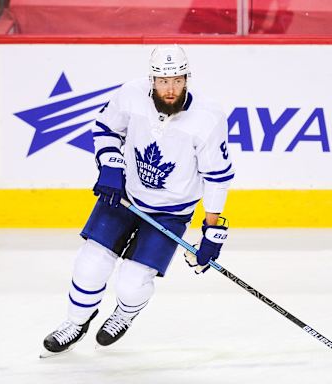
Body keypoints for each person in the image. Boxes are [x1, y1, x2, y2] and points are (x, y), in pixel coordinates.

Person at [41, 44, 234, 357]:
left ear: (187, 78)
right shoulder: (130, 95)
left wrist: (212, 232)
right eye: (163, 81)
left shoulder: (207, 118)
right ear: (152, 79)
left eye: (177, 80)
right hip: (125, 196)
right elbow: (105, 129)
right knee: (89, 265)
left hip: (170, 213)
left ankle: (125, 313)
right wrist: (111, 167)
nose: (170, 89)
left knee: (131, 284)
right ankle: (76, 322)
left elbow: (217, 177)